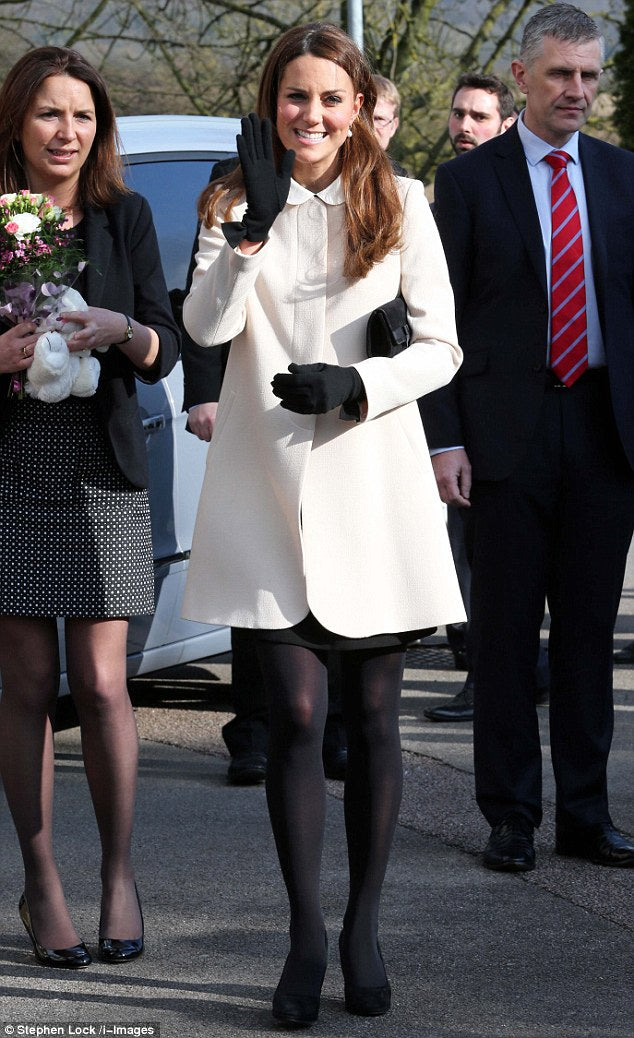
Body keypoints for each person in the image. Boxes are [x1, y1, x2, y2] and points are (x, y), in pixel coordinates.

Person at [182, 21, 464, 1025]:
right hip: (266, 492)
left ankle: (363, 925)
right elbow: (207, 329)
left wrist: (360, 382)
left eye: (330, 99)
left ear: (356, 108)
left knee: (375, 721)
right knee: (295, 716)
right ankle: (305, 933)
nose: (311, 116)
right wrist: (250, 233)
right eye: (295, 97)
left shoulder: (403, 200)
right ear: (272, 105)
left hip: (372, 489)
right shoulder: (231, 201)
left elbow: (441, 350)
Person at [420, 3, 634, 871]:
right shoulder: (469, 184)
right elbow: (436, 322)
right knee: (506, 636)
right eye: (560, 75)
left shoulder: (625, 179)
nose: (576, 91)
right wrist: (445, 441)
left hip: (604, 431)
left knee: (587, 635)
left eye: (588, 76)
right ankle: (511, 816)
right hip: (501, 437)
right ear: (521, 79)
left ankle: (587, 813)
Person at [0, 47, 180, 968]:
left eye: (81, 116)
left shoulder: (126, 215)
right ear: (17, 125)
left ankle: (117, 875)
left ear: (99, 128)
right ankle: (41, 883)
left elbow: (167, 339)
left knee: (105, 685)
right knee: (27, 687)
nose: (66, 132)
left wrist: (125, 332)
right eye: (46, 115)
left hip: (103, 466)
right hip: (10, 465)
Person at [181, 160, 348, 786]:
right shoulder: (233, 185)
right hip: (252, 407)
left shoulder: (379, 193)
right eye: (298, 98)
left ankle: (335, 729)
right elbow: (197, 312)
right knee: (260, 591)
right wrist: (204, 393)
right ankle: (251, 729)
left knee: (334, 583)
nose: (313, 117)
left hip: (339, 414)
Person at [424, 72, 554, 723]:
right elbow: (439, 317)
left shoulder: (532, 192)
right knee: (475, 555)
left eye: (479, 115)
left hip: (541, 413)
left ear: (505, 121)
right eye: (458, 113)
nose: (465, 126)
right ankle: (494, 674)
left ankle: (515, 672)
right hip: (474, 410)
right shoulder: (451, 189)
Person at [371, 74, 408, 176]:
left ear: (393, 126)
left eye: (379, 119)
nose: (369, 126)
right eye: (362, 116)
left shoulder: (402, 184)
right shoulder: (325, 173)